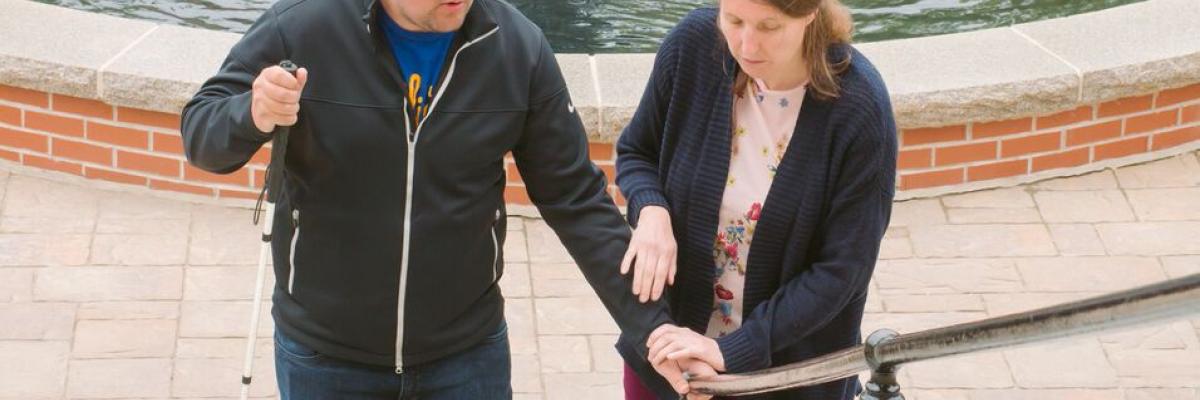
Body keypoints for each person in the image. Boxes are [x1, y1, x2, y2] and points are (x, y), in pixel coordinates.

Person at [181, 0, 672, 398]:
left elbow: (575, 198)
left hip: (466, 356)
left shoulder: (517, 47)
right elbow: (201, 135)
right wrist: (252, 111)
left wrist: (657, 332)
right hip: (325, 358)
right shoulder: (303, 26)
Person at [615, 0, 898, 398]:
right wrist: (651, 210)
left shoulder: (861, 108)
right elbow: (636, 151)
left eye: (769, 26)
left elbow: (842, 272)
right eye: (733, 20)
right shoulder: (692, 45)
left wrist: (726, 351)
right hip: (666, 356)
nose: (746, 45)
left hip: (785, 379)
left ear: (810, 13)